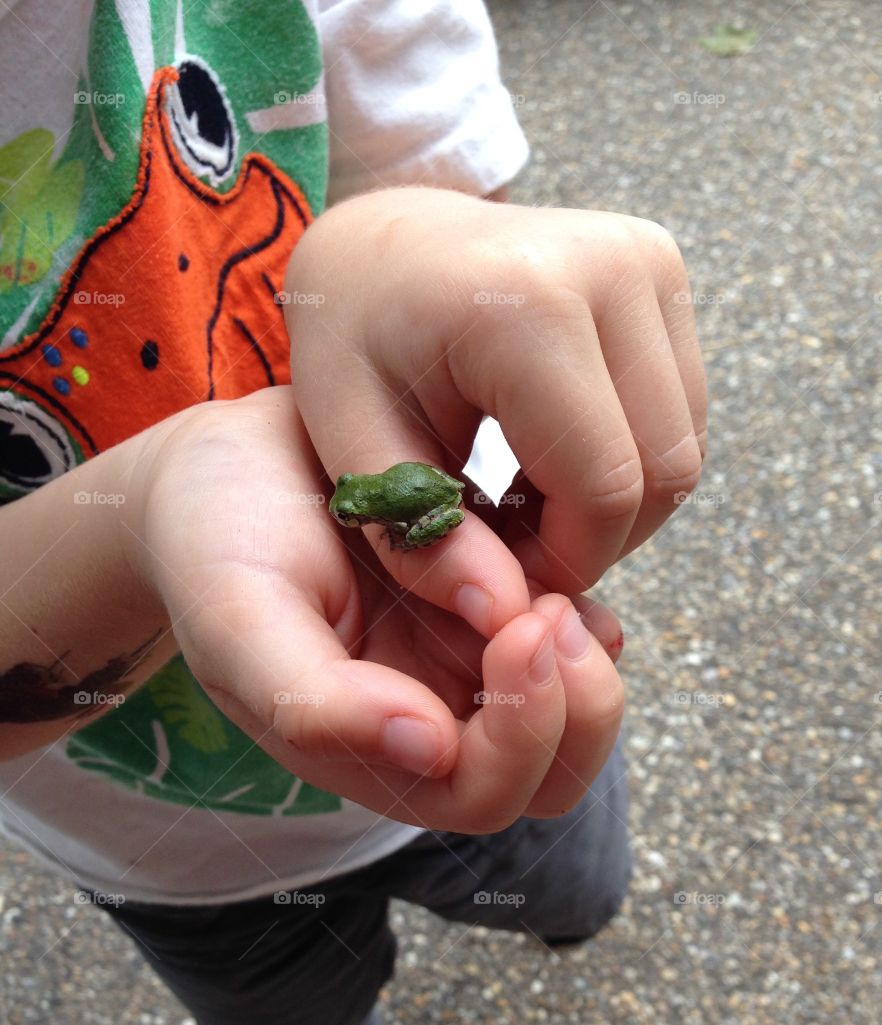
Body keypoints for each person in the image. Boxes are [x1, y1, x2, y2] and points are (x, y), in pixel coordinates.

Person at [0, 2, 706, 1023]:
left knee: (568, 865)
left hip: (472, 674)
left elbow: (464, 232)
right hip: (169, 854)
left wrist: (413, 240)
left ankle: (567, 915)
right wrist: (138, 519)